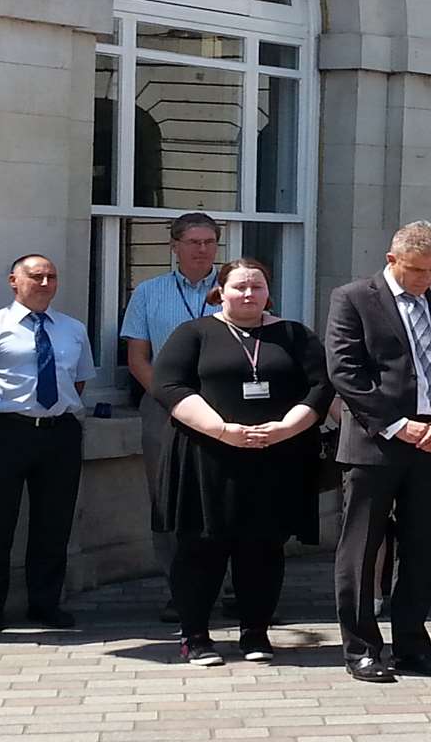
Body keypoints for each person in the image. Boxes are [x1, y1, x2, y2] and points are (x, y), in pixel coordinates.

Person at [152, 259, 331, 666]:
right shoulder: (194, 333)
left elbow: (321, 386)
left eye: (257, 287)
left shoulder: (294, 335)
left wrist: (287, 427)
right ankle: (195, 635)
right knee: (201, 547)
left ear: (269, 291)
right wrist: (220, 429)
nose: (248, 295)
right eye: (239, 287)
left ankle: (255, 632)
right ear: (220, 291)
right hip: (207, 456)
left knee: (264, 548)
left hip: (276, 458)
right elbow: (168, 384)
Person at [326, 221, 431, 683]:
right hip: (376, 445)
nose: (427, 279)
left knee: (423, 549)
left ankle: (412, 644)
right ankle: (361, 649)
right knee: (362, 548)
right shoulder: (353, 297)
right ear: (393, 260)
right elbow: (345, 371)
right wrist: (396, 425)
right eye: (417, 270)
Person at [0, 254, 98, 633]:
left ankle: (45, 604)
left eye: (51, 277)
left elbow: (79, 380)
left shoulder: (72, 329)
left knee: (53, 524)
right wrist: (3, 414)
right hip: (7, 432)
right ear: (14, 281)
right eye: (36, 276)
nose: (45, 284)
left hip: (60, 433)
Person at [119, 212, 222, 622]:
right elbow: (137, 357)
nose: (202, 250)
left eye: (209, 242)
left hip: (226, 409)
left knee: (223, 498)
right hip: (163, 407)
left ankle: (226, 585)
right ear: (174, 246)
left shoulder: (237, 287)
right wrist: (174, 401)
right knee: (168, 501)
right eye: (193, 242)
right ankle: (178, 589)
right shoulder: (148, 292)